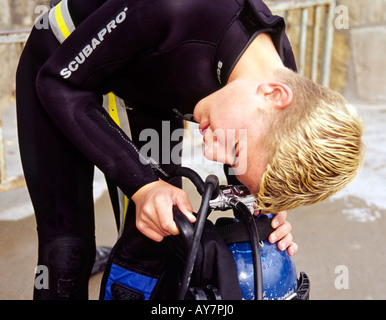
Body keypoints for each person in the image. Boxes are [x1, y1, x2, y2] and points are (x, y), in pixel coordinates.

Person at [16, 0, 363, 299]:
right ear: (273, 95)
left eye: (232, 158)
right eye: (236, 147)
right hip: (61, 69)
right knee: (66, 253)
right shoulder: (177, 7)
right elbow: (56, 81)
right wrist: (144, 185)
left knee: (155, 238)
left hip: (148, 97)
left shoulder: (278, 88)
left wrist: (266, 214)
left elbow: (257, 166)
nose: (213, 154)